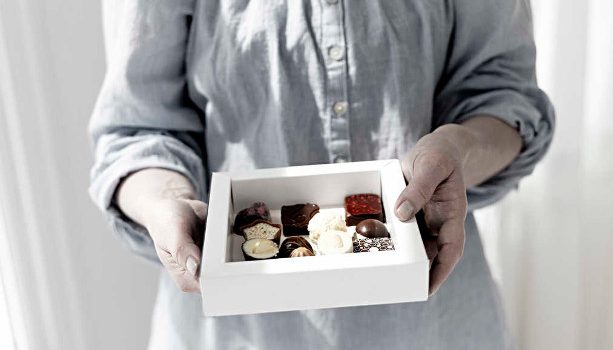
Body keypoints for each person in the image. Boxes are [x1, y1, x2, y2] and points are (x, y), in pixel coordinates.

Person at [89, 0, 554, 349]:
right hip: (238, 332)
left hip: (434, 323)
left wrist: (459, 148)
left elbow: (505, 98)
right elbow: (138, 130)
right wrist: (164, 201)